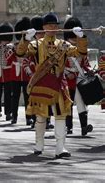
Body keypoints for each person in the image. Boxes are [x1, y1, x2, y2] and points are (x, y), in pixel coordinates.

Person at [16, 12, 87, 158]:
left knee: (61, 115)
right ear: (44, 27)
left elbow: (80, 52)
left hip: (59, 84)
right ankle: (39, 145)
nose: (53, 28)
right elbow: (21, 53)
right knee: (41, 117)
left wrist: (81, 38)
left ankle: (60, 148)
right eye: (50, 25)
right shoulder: (36, 44)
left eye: (55, 25)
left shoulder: (63, 44)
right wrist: (25, 39)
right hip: (42, 83)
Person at [63, 16, 93, 136]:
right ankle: (68, 126)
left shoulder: (81, 46)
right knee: (68, 103)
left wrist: (89, 69)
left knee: (81, 103)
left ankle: (84, 127)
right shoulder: (63, 46)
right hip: (67, 78)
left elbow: (85, 62)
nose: (75, 38)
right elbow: (59, 64)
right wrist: (67, 73)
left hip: (79, 78)